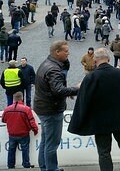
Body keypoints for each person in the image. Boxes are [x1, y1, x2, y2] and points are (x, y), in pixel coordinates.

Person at [68, 47, 120, 171]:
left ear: (95, 60)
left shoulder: (91, 77)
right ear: (109, 59)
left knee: (104, 151)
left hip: (100, 120)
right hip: (119, 116)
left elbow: (85, 99)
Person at [34, 40, 79, 171]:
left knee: (45, 141)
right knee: (52, 143)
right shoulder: (54, 69)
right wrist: (77, 89)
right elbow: (59, 91)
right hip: (51, 110)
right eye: (66, 51)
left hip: (42, 107)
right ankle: (52, 169)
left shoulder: (47, 63)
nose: (68, 53)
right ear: (57, 52)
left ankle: (44, 167)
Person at [2, 92, 38, 169]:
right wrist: (35, 129)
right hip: (23, 133)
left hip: (12, 134)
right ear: (22, 98)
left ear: (13, 99)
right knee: (25, 149)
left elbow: (3, 120)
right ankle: (26, 164)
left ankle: (10, 165)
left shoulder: (7, 109)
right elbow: (31, 121)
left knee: (11, 150)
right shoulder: (26, 109)